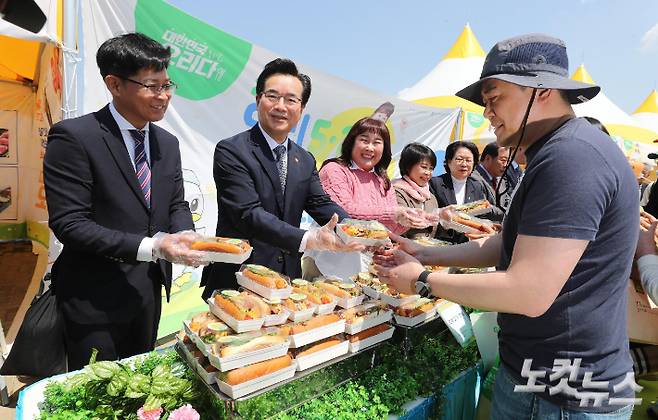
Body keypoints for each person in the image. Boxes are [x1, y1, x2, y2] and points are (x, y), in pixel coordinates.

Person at [375, 34, 638, 418]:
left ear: (542, 90)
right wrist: (424, 253)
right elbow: (507, 244)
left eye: (494, 97)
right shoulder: (564, 150)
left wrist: (422, 281)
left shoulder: (571, 160)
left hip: (559, 395)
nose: (487, 112)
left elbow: (528, 291)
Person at [44, 33, 203, 370]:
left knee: (138, 388)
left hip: (147, 294)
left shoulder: (167, 143)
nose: (164, 96)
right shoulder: (75, 137)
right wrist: (154, 247)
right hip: (93, 298)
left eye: (167, 84)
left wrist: (186, 235)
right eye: (152, 86)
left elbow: (175, 203)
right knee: (97, 395)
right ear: (115, 85)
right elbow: (70, 224)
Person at [200, 58, 360, 299]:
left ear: (301, 109)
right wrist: (310, 238)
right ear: (258, 100)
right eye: (272, 96)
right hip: (240, 277)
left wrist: (358, 230)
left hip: (287, 277)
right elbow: (248, 213)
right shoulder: (231, 150)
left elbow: (320, 204)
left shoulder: (304, 159)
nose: (281, 106)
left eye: (291, 100)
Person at [302, 115, 428, 279]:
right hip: (328, 260)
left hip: (366, 265)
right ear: (352, 142)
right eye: (364, 140)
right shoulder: (335, 169)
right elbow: (344, 212)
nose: (370, 147)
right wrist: (393, 214)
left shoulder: (382, 178)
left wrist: (407, 220)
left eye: (377, 142)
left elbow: (389, 226)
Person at [429, 140, 503, 243]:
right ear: (449, 161)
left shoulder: (476, 186)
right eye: (459, 159)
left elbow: (480, 214)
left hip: (468, 244)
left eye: (468, 160)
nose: (464, 164)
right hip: (440, 243)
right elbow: (429, 214)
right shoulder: (434, 183)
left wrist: (489, 225)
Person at [393, 143, 439, 239]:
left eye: (431, 168)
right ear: (408, 166)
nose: (428, 173)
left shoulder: (431, 197)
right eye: (424, 167)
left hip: (427, 251)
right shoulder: (395, 191)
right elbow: (405, 221)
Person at [471, 142, 515, 210]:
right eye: (503, 160)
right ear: (488, 158)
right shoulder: (473, 179)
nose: (506, 165)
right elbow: (484, 210)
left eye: (508, 161)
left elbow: (508, 202)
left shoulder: (501, 180)